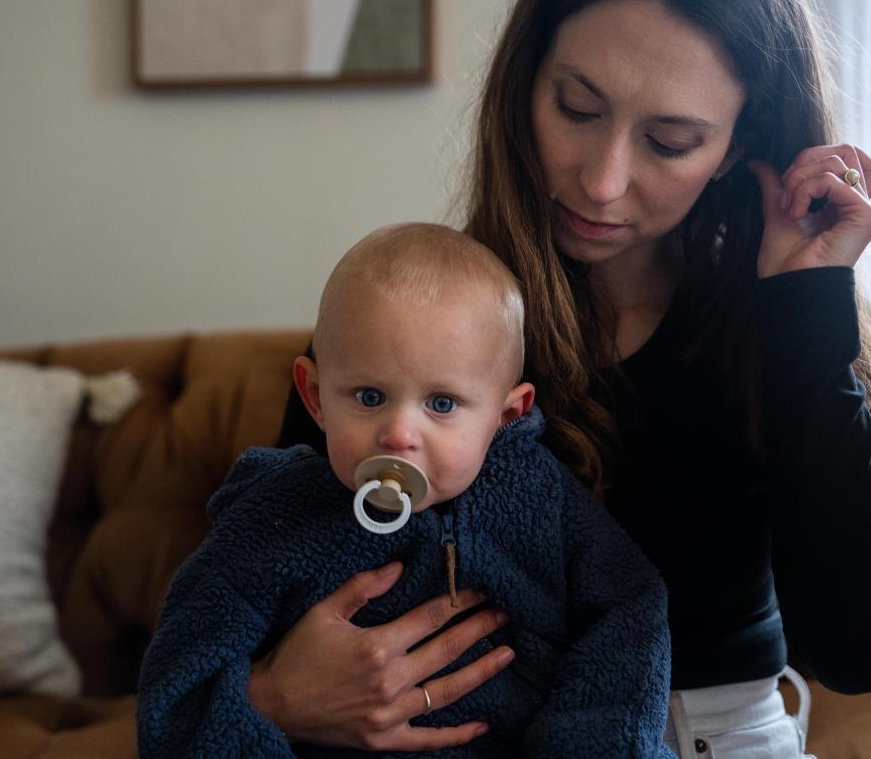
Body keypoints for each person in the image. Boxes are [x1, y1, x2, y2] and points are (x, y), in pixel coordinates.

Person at [262, 0, 871, 756]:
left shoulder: (771, 317)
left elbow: (861, 651)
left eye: (669, 142)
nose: (602, 180)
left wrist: (805, 309)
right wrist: (272, 695)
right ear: (524, 87)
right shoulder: (408, 319)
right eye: (578, 109)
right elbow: (261, 581)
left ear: (739, 145)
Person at [138, 223, 675, 758]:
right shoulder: (272, 514)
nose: (398, 433)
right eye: (369, 396)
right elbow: (181, 684)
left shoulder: (541, 497)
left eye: (441, 404)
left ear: (505, 413)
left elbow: (629, 610)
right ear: (315, 396)